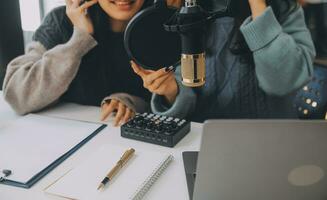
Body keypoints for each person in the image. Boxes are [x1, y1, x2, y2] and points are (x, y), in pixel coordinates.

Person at [132, 0, 316, 122]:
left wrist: (258, 6)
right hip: (204, 141)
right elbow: (185, 91)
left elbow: (282, 83)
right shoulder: (183, 10)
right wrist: (171, 91)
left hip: (273, 141)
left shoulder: (284, 7)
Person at [2, 0, 154, 126]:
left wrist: (132, 102)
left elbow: (167, 99)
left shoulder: (160, 24)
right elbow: (18, 96)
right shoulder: (60, 21)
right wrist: (79, 39)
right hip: (62, 137)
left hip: (124, 140)